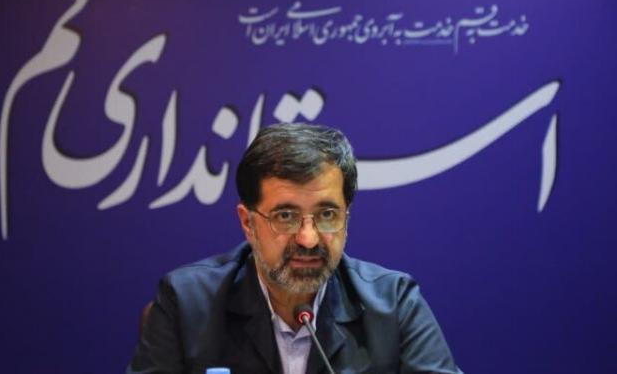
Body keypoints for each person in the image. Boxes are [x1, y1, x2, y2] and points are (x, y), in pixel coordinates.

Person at [127, 123, 463, 374]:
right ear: (248, 223)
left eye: (327, 215)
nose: (308, 239)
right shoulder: (187, 303)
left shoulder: (394, 305)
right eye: (285, 216)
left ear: (346, 217)